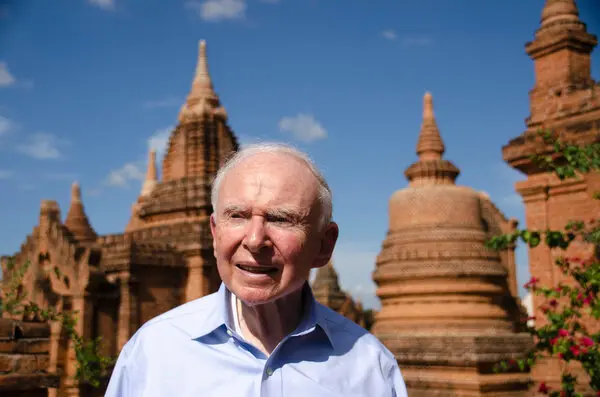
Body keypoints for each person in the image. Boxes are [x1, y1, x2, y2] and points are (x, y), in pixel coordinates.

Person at [104, 143, 408, 397]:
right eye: (237, 216)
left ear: (324, 245)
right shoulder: (151, 352)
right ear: (214, 233)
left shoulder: (371, 369)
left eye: (280, 219)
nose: (254, 240)